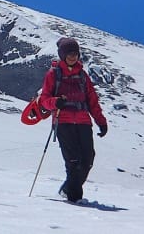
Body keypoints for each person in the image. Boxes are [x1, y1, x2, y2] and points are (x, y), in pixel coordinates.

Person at [39, 37, 108, 203]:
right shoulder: (53, 74)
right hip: (62, 121)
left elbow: (92, 101)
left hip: (84, 122)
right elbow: (44, 99)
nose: (73, 56)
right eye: (69, 53)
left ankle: (68, 189)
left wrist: (101, 122)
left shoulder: (83, 76)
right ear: (63, 55)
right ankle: (75, 200)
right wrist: (56, 102)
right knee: (73, 161)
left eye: (75, 53)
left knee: (88, 159)